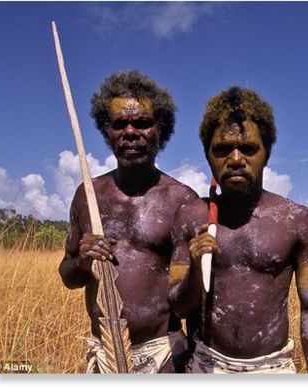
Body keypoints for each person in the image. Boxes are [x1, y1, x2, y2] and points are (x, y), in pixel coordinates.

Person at [168, 86, 308, 373]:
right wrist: (194, 266)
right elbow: (178, 308)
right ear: (207, 155)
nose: (237, 159)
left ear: (266, 153)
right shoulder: (190, 217)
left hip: (272, 368)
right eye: (222, 149)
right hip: (207, 364)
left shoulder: (295, 220)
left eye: (249, 148)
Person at [58, 70, 198, 373]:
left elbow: (194, 297)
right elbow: (68, 276)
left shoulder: (181, 199)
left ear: (161, 129)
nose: (130, 132)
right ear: (106, 131)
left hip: (164, 356)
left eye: (143, 123)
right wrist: (82, 260)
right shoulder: (88, 194)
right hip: (105, 355)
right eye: (119, 124)